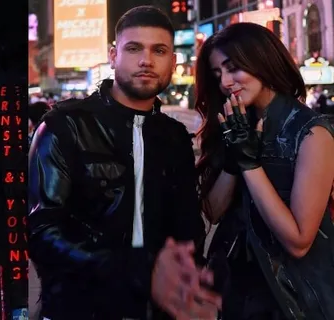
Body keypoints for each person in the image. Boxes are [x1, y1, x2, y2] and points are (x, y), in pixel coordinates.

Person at [28, 6, 220, 320]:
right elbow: (41, 233)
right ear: (113, 54)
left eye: (159, 50)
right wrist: (138, 272)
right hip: (80, 310)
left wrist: (189, 281)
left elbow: (187, 232)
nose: (146, 60)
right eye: (134, 48)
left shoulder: (174, 139)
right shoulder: (66, 126)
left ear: (173, 61)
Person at [195, 22, 334, 320]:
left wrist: (250, 164)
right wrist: (235, 158)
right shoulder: (235, 125)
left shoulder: (311, 133)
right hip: (234, 290)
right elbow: (214, 211)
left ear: (262, 60)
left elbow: (298, 241)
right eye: (218, 73)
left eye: (233, 68)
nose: (225, 82)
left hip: (290, 299)